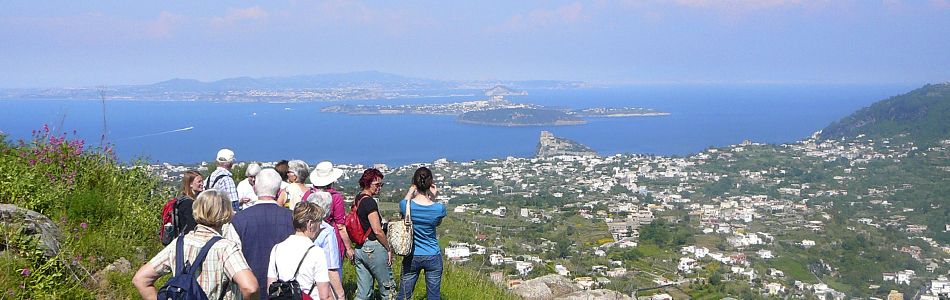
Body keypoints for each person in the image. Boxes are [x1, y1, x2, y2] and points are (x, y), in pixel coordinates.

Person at [133, 189, 259, 300]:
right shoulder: (226, 248)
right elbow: (250, 288)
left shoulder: (179, 243)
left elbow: (141, 279)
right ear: (226, 213)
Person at [230, 168, 295, 300]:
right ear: (279, 192)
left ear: (255, 189)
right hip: (286, 291)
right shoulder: (293, 218)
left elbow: (232, 259)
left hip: (249, 290)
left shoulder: (238, 220)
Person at [396, 167, 447, 300]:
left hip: (412, 254)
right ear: (430, 183)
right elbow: (437, 223)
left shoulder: (406, 205)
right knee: (434, 296)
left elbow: (404, 207)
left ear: (414, 182)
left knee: (404, 295)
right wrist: (433, 198)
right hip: (432, 254)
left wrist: (410, 192)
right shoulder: (439, 208)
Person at [267, 201, 332, 300]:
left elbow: (270, 288)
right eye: (319, 223)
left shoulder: (276, 248)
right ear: (310, 224)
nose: (320, 228)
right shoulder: (317, 252)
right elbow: (325, 296)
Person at [351, 168, 395, 300]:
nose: (379, 188)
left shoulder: (357, 199)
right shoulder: (369, 202)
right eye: (377, 185)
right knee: (388, 289)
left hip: (360, 247)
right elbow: (377, 230)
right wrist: (388, 248)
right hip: (373, 248)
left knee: (363, 292)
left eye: (381, 184)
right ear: (367, 183)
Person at [309, 161, 354, 261]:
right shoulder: (335, 197)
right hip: (332, 239)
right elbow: (340, 226)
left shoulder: (308, 194)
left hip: (311, 235)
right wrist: (349, 248)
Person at [308, 191, 345, 300]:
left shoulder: (304, 227)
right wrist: (341, 294)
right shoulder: (327, 231)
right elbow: (331, 268)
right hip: (322, 287)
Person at [173, 170, 203, 237]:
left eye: (202, 181)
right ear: (190, 184)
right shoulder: (188, 203)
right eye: (199, 182)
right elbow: (191, 225)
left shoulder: (181, 200)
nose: (202, 184)